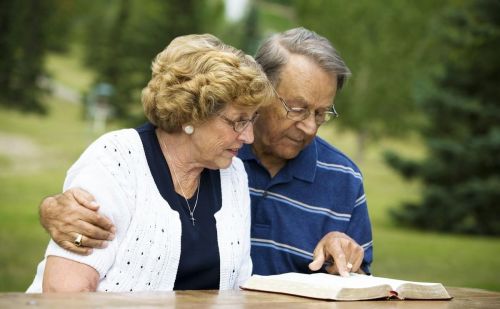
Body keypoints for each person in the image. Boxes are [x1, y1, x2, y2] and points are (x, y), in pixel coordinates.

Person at [37, 27, 373, 279]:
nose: (310, 127)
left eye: (322, 113)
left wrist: (345, 262)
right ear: (261, 90)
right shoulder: (214, 149)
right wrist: (53, 208)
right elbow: (130, 170)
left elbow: (364, 287)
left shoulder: (343, 179)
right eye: (297, 108)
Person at [26, 33, 274, 292]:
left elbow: (236, 288)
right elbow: (65, 292)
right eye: (238, 121)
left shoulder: (233, 174)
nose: (248, 136)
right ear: (192, 113)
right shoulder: (116, 160)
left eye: (252, 120)